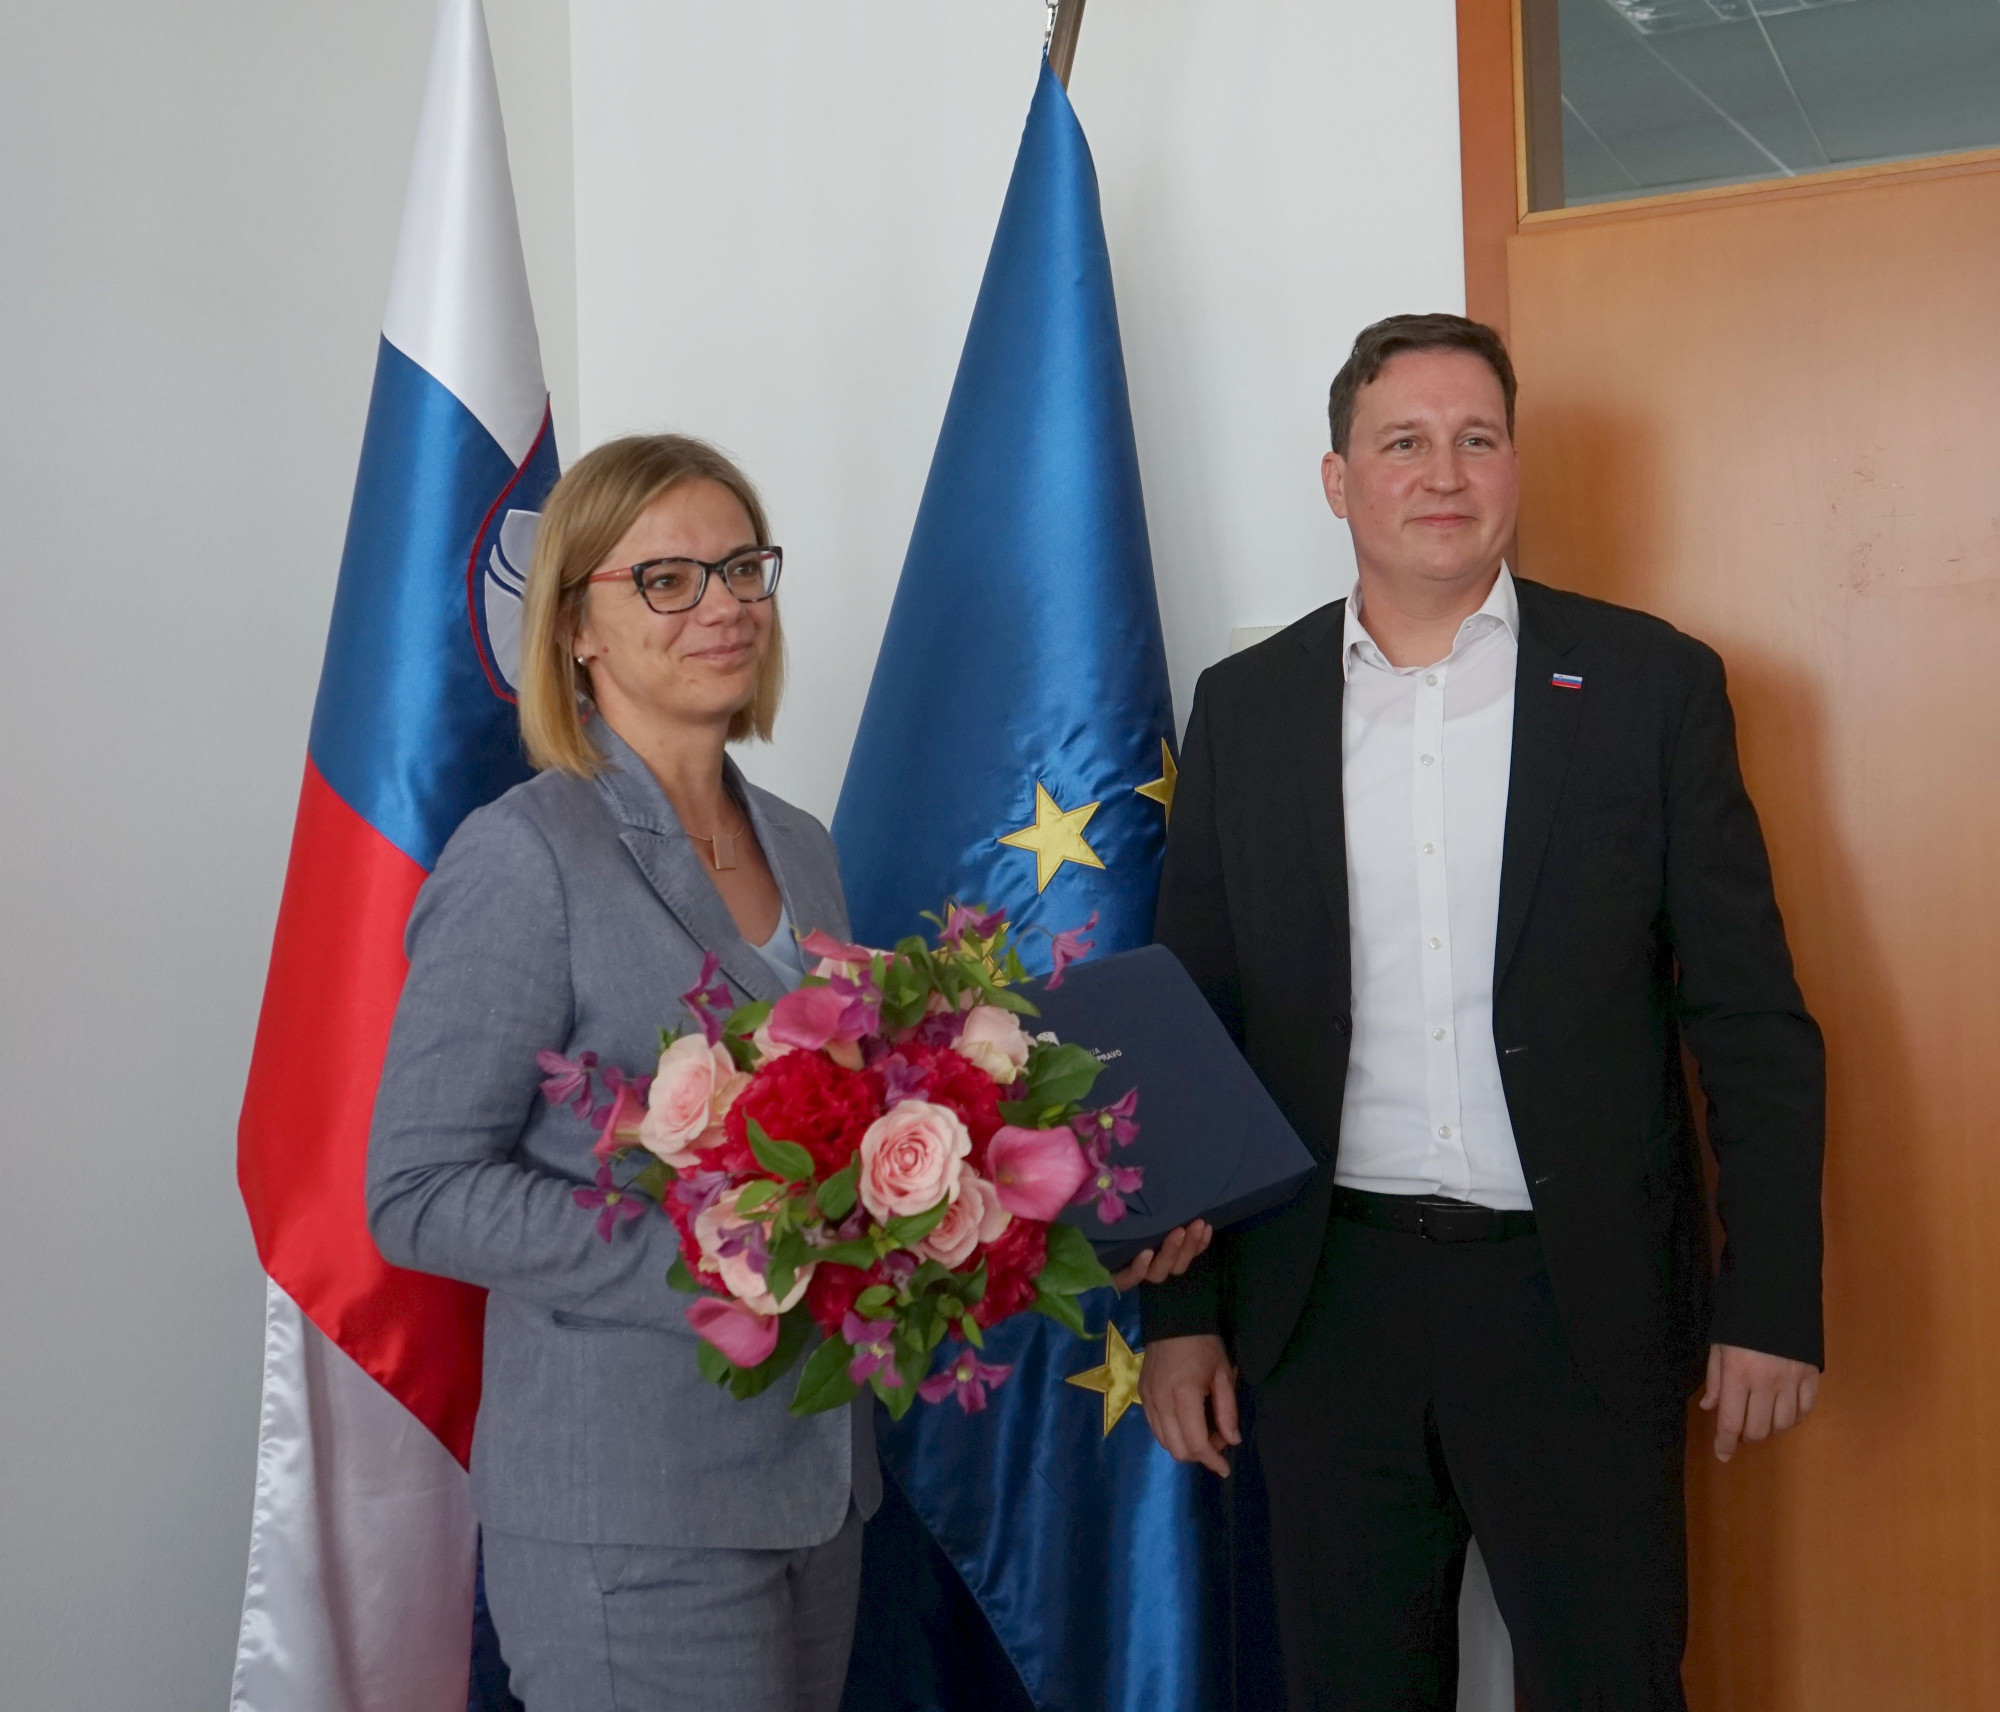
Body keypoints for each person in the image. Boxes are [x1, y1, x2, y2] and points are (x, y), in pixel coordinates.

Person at [368, 432, 1204, 1711]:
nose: (723, 605)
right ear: (576, 626)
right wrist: (721, 1260)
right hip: (630, 1507)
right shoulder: (525, 855)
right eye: (667, 579)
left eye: (742, 568)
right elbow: (418, 1188)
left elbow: (851, 1163)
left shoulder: (800, 845)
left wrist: (1062, 1224)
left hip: (814, 1490)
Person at [1137, 315, 1824, 1710]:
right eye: (1402, 441)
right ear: (1338, 479)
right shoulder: (1246, 707)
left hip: (1577, 1307)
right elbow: (1192, 1025)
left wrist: (1772, 1298)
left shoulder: (1647, 685)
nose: (1442, 473)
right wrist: (1179, 1315)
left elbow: (1748, 1017)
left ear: (1514, 465)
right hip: (1325, 1308)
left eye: (1476, 438)